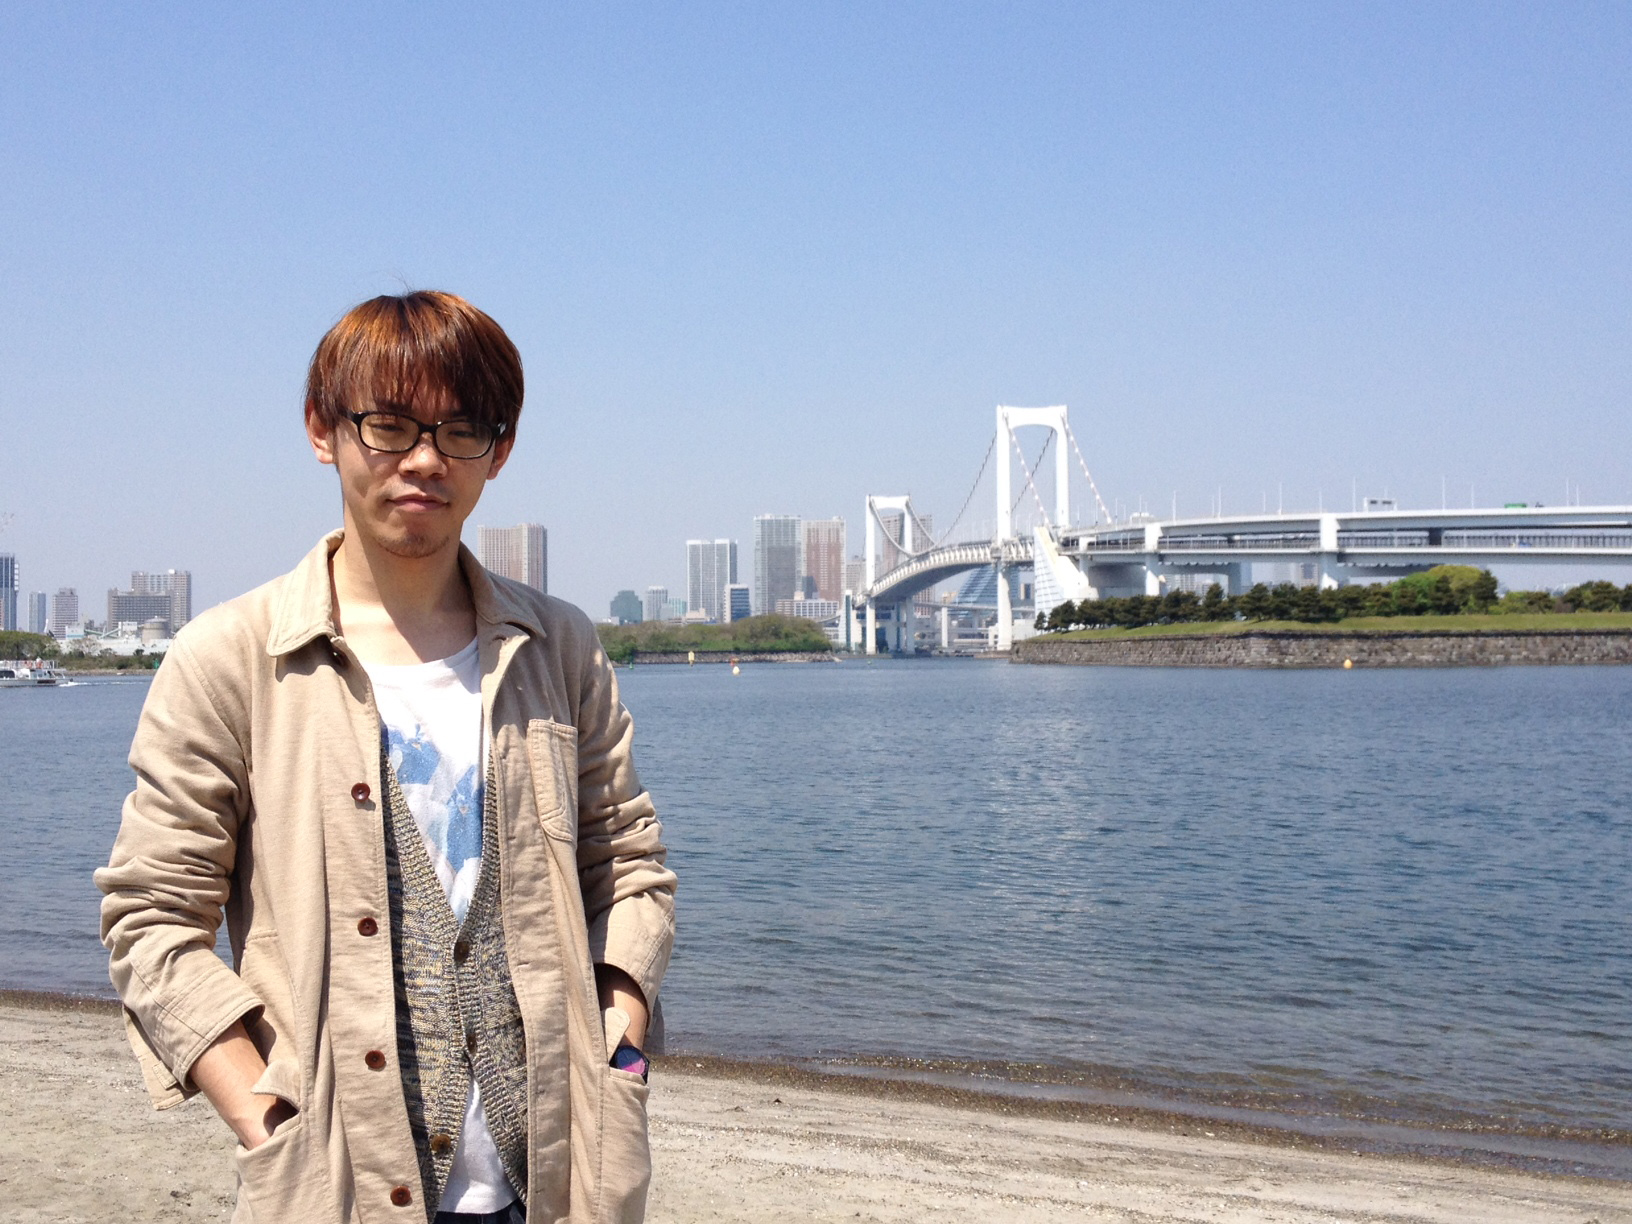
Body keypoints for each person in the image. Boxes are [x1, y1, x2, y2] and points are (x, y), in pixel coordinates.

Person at [96, 291, 676, 1224]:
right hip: (337, 1186)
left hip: (563, 1177)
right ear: (322, 430)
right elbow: (152, 918)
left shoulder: (558, 647)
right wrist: (264, 1115)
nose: (425, 459)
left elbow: (628, 865)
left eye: (461, 430)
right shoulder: (232, 659)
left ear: (499, 450)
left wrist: (622, 1041)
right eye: (390, 424)